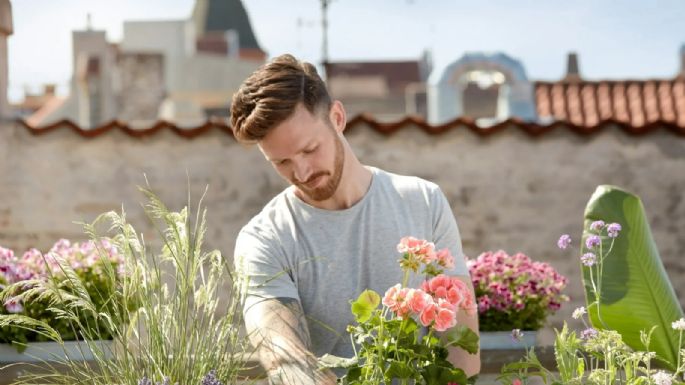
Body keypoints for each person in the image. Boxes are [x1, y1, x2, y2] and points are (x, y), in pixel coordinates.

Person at [231, 54, 480, 385]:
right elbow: (279, 348)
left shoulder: (424, 201)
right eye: (282, 162)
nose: (301, 172)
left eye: (309, 150)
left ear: (337, 117)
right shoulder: (264, 238)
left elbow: (462, 345)